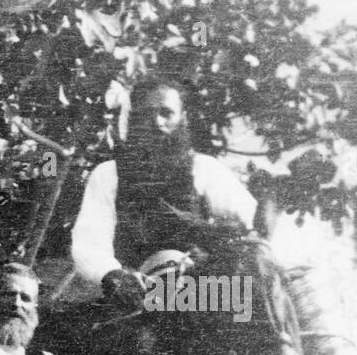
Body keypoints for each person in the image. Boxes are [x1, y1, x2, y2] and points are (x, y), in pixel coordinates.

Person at [69, 74, 258, 308]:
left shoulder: (204, 168)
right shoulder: (109, 174)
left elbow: (248, 224)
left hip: (204, 293)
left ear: (182, 118)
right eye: (146, 115)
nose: (157, 122)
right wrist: (113, 275)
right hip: (134, 297)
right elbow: (90, 243)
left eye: (166, 113)